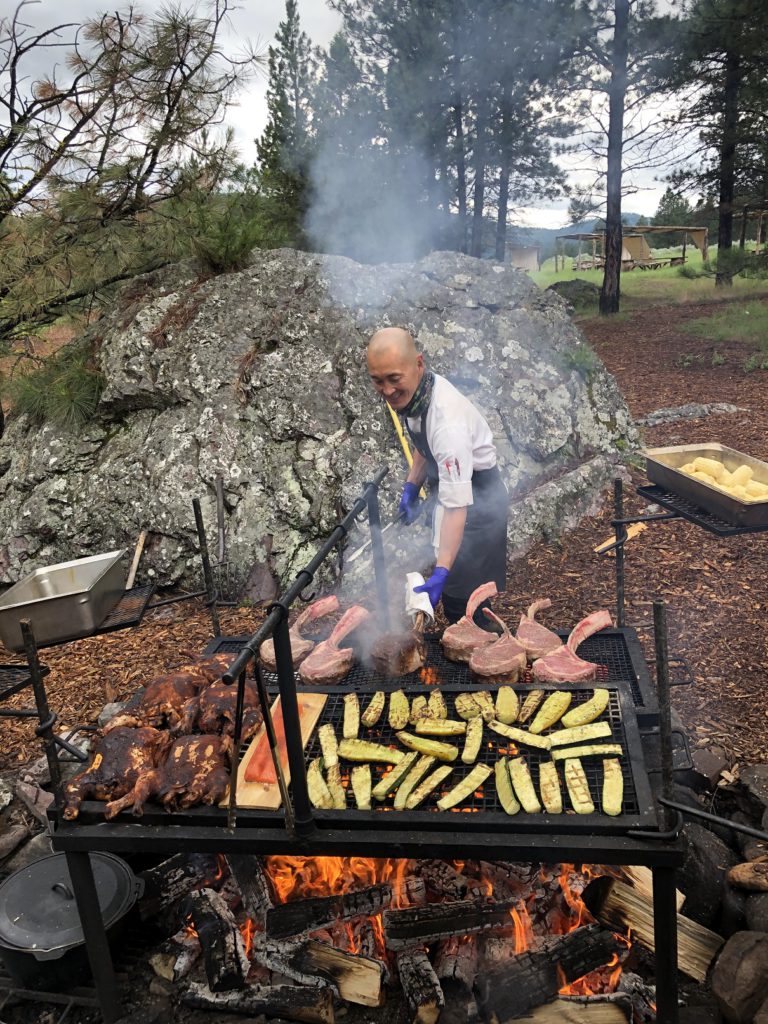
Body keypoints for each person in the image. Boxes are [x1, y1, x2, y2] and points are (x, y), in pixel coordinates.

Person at [366, 327, 508, 625]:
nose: (387, 391)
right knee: (456, 590)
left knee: (466, 600)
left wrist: (441, 572)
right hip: (450, 488)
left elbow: (458, 506)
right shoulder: (420, 395)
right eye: (378, 381)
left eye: (394, 379)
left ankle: (484, 652)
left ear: (419, 363)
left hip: (477, 502)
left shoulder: (448, 424)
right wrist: (410, 486)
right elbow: (423, 443)